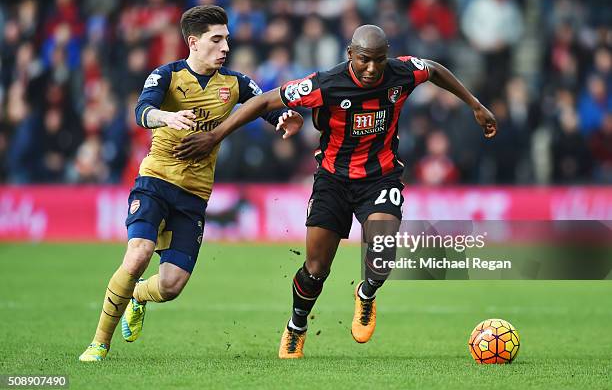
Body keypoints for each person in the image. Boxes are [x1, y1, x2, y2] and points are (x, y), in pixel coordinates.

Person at [174, 24, 497, 359]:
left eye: (379, 61)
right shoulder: (325, 84)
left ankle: (367, 293)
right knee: (316, 269)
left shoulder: (401, 72)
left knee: (382, 254)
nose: (372, 68)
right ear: (350, 55)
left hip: (380, 178)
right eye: (364, 60)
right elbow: (264, 100)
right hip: (333, 181)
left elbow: (433, 69)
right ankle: (297, 326)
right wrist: (216, 136)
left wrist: (474, 104)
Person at [78, 5, 303, 361]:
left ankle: (137, 295)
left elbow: (262, 103)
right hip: (156, 179)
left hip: (195, 194)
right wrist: (167, 116)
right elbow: (142, 111)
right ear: (194, 43)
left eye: (227, 39)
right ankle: (99, 343)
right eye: (217, 39)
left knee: (170, 286)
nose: (225, 47)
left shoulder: (234, 83)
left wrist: (283, 118)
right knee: (137, 254)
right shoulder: (166, 75)